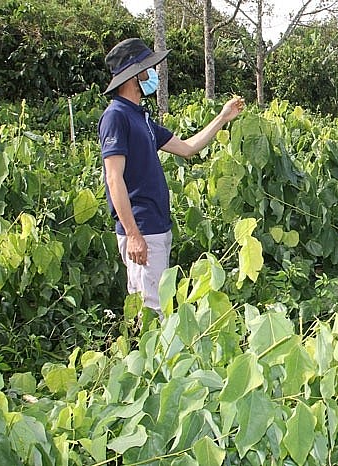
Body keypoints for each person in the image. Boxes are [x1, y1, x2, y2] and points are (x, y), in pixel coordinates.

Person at [98, 37, 244, 314]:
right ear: (134, 75)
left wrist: (223, 117)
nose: (150, 74)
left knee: (157, 304)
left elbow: (188, 148)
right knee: (151, 310)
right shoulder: (116, 116)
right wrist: (133, 235)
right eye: (146, 69)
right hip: (141, 227)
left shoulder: (140, 117)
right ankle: (148, 358)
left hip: (156, 225)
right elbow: (113, 178)